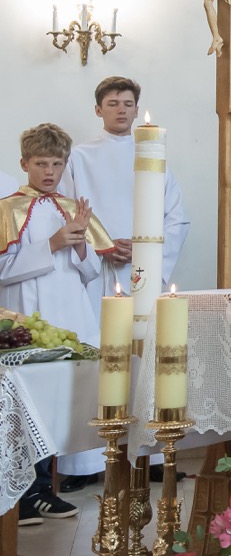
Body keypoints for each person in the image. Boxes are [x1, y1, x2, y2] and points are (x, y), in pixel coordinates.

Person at [59, 76, 191, 489]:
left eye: (128, 103)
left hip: (143, 274)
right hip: (95, 276)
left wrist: (143, 250)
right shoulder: (78, 158)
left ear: (136, 109)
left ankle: (149, 454)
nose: (121, 109)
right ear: (98, 109)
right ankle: (86, 463)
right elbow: (64, 211)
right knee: (96, 360)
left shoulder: (155, 157)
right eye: (113, 103)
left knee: (145, 360)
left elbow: (176, 219)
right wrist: (100, 246)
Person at [0, 123, 113, 526]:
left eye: (56, 164)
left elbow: (90, 273)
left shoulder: (70, 207)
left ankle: (45, 490)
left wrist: (81, 246)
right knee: (28, 404)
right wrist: (51, 243)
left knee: (59, 403)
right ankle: (24, 495)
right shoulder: (8, 208)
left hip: (69, 317)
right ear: (24, 164)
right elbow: (3, 269)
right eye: (41, 164)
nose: (49, 172)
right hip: (29, 316)